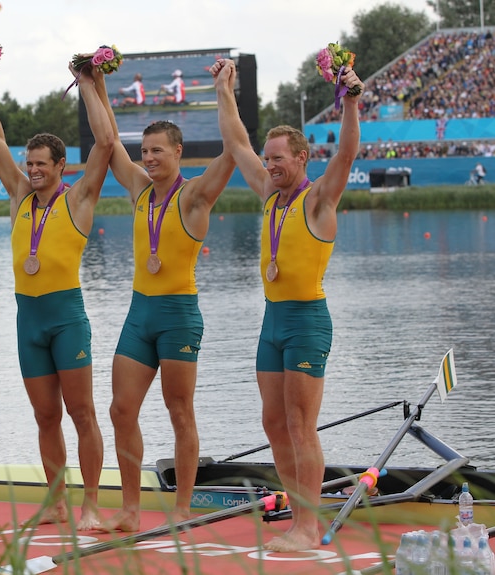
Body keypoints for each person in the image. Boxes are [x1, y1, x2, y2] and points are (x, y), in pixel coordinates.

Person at [213, 57, 364, 552]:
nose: (270, 164)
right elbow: (236, 141)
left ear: (300, 158)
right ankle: (298, 514)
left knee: (301, 425)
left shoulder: (318, 199)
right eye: (268, 158)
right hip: (272, 321)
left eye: (278, 158)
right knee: (274, 424)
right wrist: (224, 89)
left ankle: (307, 525)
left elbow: (345, 154)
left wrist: (350, 101)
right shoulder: (268, 196)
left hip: (306, 322)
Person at [90, 62, 234, 532]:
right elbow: (108, 143)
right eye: (144, 151)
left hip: (177, 314)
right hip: (139, 313)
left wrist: (222, 91)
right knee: (120, 409)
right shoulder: (137, 190)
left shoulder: (194, 196)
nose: (147, 158)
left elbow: (235, 149)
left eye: (156, 151)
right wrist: (98, 83)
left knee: (179, 412)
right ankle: (131, 511)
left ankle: (182, 509)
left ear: (178, 151)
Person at [0, 59, 113, 530]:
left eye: (40, 164)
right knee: (46, 416)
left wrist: (90, 84)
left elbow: (107, 144)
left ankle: (91, 503)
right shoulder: (17, 195)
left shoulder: (78, 200)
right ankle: (56, 503)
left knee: (82, 413)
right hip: (27, 322)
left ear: (60, 167)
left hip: (65, 317)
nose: (31, 170)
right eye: (28, 163)